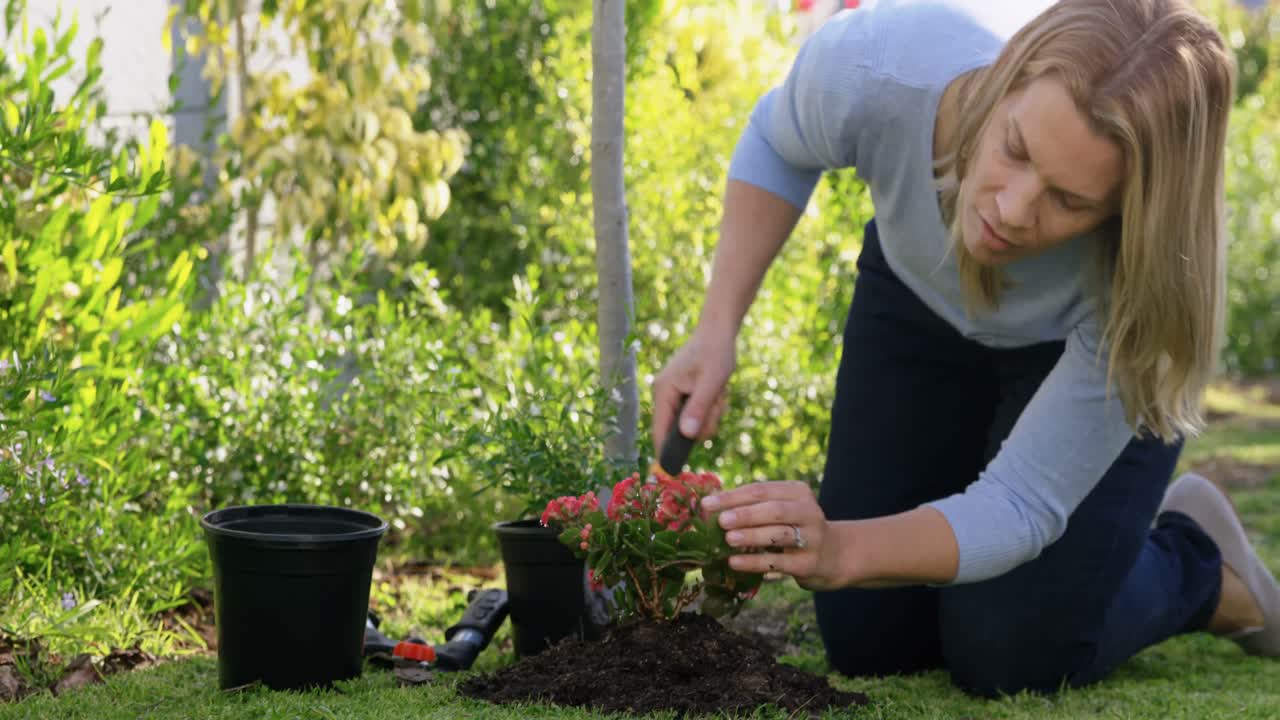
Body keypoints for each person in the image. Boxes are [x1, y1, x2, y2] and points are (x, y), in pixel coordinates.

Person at [649, 0, 1280, 698]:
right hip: (917, 308)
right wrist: (716, 331)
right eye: (1015, 148)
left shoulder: (1151, 279)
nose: (1011, 209)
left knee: (1008, 652)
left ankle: (1198, 565)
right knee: (872, 640)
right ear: (1005, 80)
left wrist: (840, 547)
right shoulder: (882, 67)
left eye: (1068, 201)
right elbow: (778, 139)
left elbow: (1018, 505)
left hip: (1065, 359)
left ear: (1125, 212)